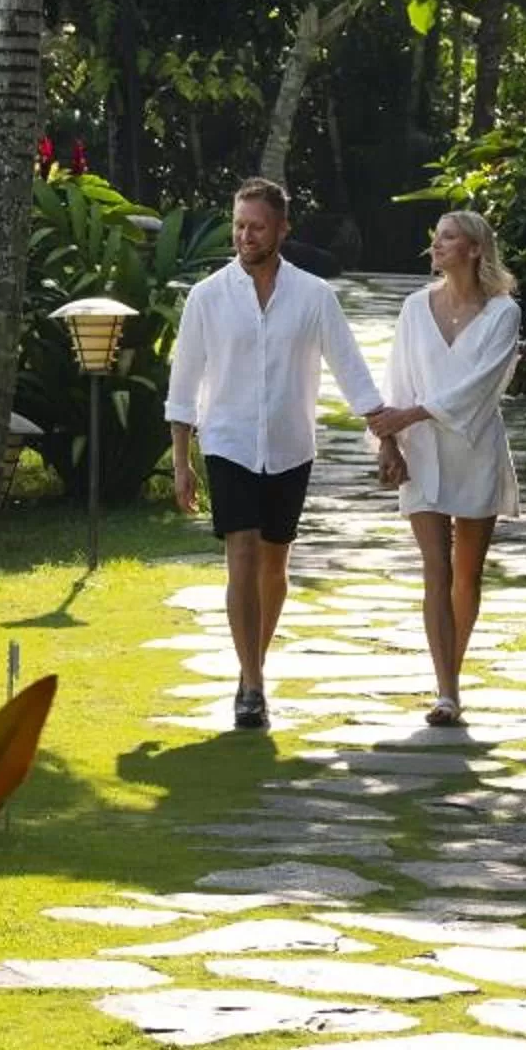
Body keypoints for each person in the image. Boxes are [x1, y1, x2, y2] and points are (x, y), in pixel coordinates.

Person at [167, 176, 385, 731]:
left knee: (274, 563)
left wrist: (384, 431)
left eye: (257, 227)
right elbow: (184, 383)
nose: (246, 236)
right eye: (239, 225)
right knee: (240, 552)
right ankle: (252, 684)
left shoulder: (314, 296)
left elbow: (350, 368)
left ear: (282, 229)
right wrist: (181, 462)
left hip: (290, 445)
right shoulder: (207, 297)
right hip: (228, 442)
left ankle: (252, 668)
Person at [361, 209, 522, 728]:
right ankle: (446, 691)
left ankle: (451, 672)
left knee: (466, 573)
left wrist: (409, 415)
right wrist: (389, 443)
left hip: (475, 451)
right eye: (436, 237)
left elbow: (480, 387)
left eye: (449, 237)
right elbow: (398, 380)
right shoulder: (414, 308)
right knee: (437, 567)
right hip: (422, 451)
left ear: (474, 249)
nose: (437, 245)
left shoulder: (503, 313)